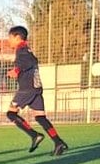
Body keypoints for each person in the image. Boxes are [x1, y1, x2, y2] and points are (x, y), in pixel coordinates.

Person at [5, 26, 68, 156]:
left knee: (11, 114)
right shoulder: (26, 49)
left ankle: (34, 135)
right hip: (35, 87)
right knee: (40, 117)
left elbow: (30, 61)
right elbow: (32, 61)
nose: (8, 41)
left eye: (10, 38)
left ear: (17, 37)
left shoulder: (21, 49)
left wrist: (15, 71)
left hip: (27, 89)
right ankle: (58, 142)